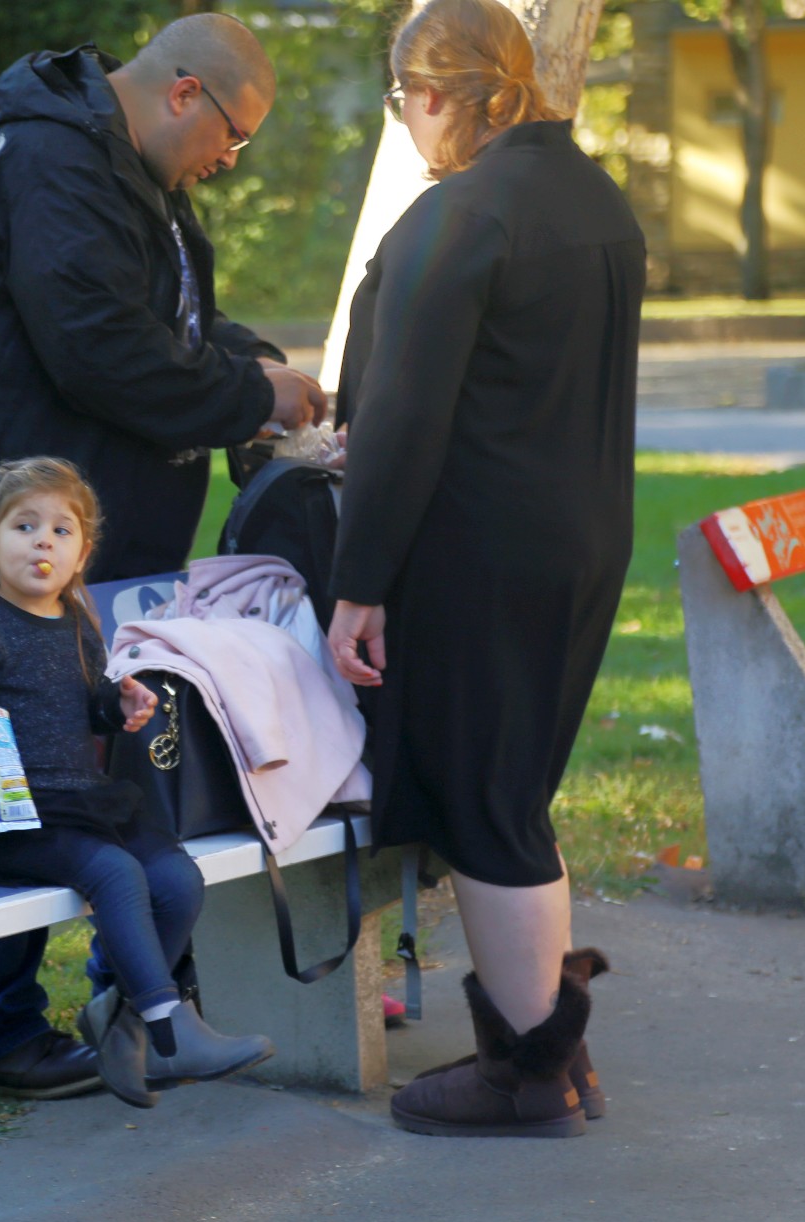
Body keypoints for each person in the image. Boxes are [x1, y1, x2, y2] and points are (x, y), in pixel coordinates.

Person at [0, 13, 325, 1098]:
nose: (232, 160)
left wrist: (259, 375)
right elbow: (103, 353)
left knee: (90, 761)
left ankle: (132, 996)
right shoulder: (52, 161)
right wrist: (243, 395)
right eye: (234, 134)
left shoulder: (127, 171)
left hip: (55, 544)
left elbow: (172, 323)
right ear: (185, 93)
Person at [325, 0, 643, 1138]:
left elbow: (400, 420)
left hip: (481, 546)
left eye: (404, 100)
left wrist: (357, 583)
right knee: (515, 791)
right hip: (583, 530)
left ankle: (527, 1073)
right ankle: (552, 1049)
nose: (407, 125)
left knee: (482, 800)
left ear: (436, 95)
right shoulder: (593, 200)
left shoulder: (456, 215)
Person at [0, 458, 276, 1107]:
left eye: (61, 531)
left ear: (82, 553)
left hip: (75, 804)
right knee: (117, 874)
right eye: (25, 525)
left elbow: (87, 702)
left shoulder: (76, 622)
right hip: (3, 821)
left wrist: (118, 706)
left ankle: (125, 1017)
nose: (44, 540)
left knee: (176, 877)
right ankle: (167, 1028)